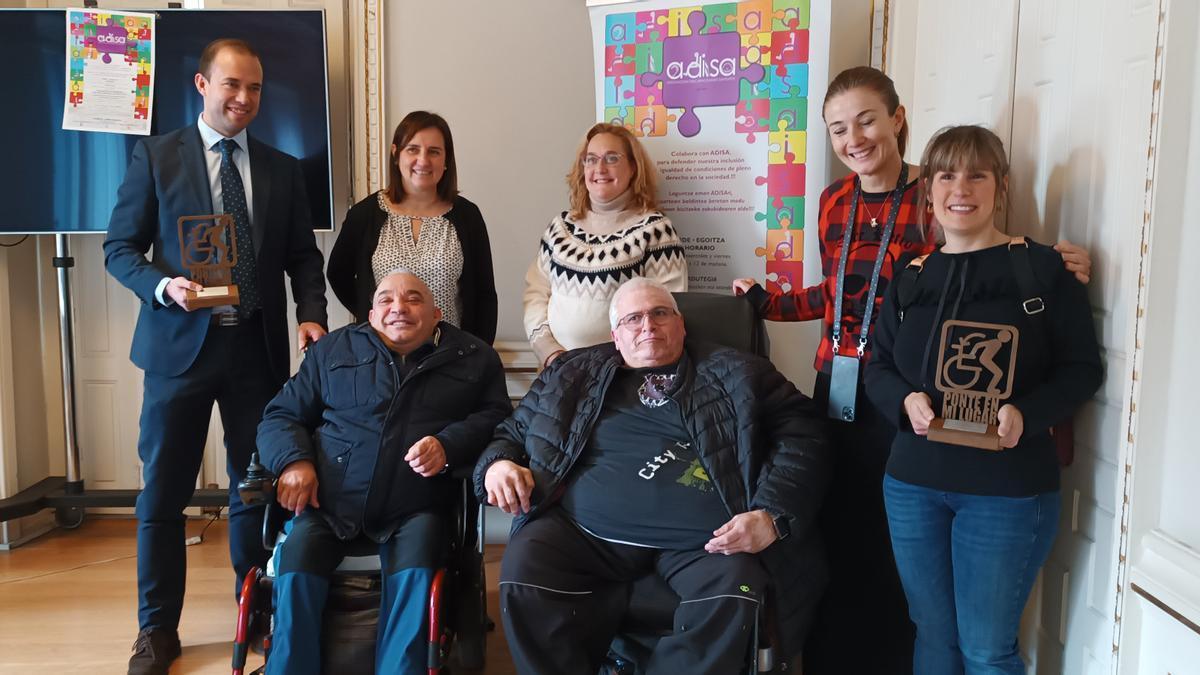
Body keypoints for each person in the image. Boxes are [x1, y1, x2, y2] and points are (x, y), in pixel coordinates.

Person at [730, 66, 1093, 674]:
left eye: (867, 119)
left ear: (898, 119)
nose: (855, 138)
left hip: (921, 402)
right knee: (842, 533)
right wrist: (772, 303)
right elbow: (840, 292)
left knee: (901, 561)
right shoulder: (834, 201)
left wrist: (1055, 260)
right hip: (846, 384)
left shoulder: (936, 190)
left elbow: (979, 260)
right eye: (839, 129)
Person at [102, 38, 328, 675]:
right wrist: (163, 287)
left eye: (254, 88)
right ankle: (156, 631)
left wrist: (310, 313)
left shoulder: (282, 169)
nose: (244, 99)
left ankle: (251, 611)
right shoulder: (156, 156)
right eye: (232, 86)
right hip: (178, 351)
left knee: (253, 489)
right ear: (202, 86)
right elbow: (120, 249)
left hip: (255, 349)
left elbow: (303, 259)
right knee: (162, 496)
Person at [476, 277, 829, 674]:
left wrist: (772, 515)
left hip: (706, 543)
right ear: (615, 335)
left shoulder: (741, 373)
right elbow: (512, 432)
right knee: (525, 571)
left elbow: (805, 435)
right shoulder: (571, 374)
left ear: (681, 324)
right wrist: (498, 464)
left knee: (736, 592)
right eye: (633, 318)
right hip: (583, 534)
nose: (648, 326)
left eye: (660, 313)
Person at [865, 125, 1103, 674]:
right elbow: (877, 366)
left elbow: (1081, 370)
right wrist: (905, 403)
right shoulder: (911, 274)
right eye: (946, 174)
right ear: (930, 190)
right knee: (933, 638)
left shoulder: (1044, 268)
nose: (961, 188)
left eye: (977, 173)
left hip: (1007, 490)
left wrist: (1028, 413)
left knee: (986, 651)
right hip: (912, 485)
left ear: (1001, 186)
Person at [256, 269, 510, 674]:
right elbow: (280, 415)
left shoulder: (475, 358)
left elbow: (498, 419)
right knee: (296, 567)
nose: (399, 308)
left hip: (416, 507)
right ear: (371, 314)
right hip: (329, 503)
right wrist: (294, 461)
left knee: (420, 570)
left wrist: (448, 444)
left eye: (412, 299)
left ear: (436, 313)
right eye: (387, 300)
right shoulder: (333, 351)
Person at [523, 123, 688, 368]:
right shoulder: (560, 228)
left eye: (612, 158)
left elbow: (667, 315)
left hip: (622, 379)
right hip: (558, 371)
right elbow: (535, 295)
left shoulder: (655, 230)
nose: (599, 168)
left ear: (633, 167)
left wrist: (622, 365)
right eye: (591, 159)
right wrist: (549, 352)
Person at [328, 111, 497, 342]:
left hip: (449, 356)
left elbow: (485, 296)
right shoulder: (364, 215)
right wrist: (373, 316)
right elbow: (338, 274)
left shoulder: (468, 217)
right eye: (413, 149)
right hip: (382, 354)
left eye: (434, 152)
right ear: (396, 154)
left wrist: (478, 357)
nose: (423, 160)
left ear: (446, 160)